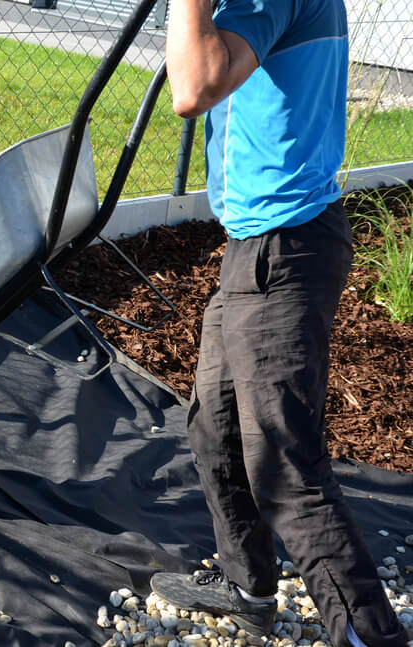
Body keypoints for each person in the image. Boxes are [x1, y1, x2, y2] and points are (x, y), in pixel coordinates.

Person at [147, 0, 407, 645]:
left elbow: (193, 88)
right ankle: (248, 588)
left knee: (283, 462)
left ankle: (369, 634)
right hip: (259, 248)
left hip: (284, 250)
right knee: (217, 428)